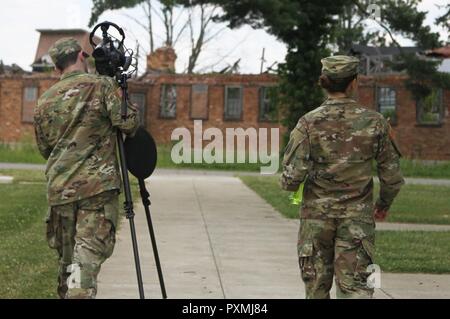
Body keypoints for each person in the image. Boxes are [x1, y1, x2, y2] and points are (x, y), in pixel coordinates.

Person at [280, 55, 404, 299]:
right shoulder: (375, 122)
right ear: (354, 82)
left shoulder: (307, 123)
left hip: (316, 219)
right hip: (357, 219)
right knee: (356, 288)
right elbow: (391, 176)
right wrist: (383, 204)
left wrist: (292, 183)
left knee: (316, 289)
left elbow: (291, 178)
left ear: (324, 82)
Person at [34, 37, 140, 299]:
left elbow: (45, 149)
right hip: (96, 192)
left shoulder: (44, 101)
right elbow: (128, 123)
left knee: (69, 263)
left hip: (60, 193)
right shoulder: (102, 86)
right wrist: (120, 88)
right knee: (84, 263)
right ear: (83, 57)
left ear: (57, 68)